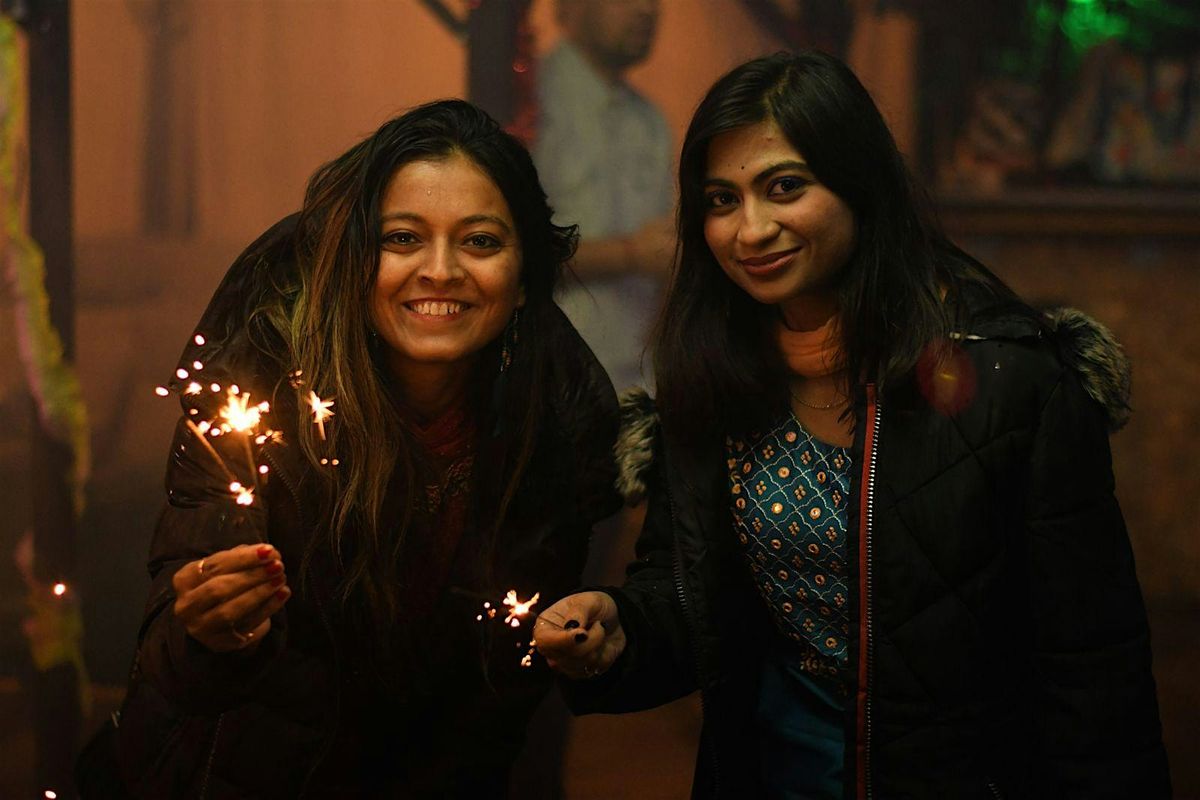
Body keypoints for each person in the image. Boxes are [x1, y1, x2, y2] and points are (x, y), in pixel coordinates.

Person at [535, 51, 1171, 799]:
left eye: (785, 187)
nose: (751, 229)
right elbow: (690, 593)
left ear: (858, 181)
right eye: (722, 199)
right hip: (774, 772)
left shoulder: (1008, 378)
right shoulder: (710, 374)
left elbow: (1092, 667)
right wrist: (620, 627)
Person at [112, 100, 621, 798]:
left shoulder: (556, 429)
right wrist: (209, 634)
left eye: (479, 242)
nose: (440, 270)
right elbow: (171, 664)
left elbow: (506, 690)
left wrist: (580, 638)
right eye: (402, 238)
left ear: (526, 278)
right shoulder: (256, 400)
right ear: (354, 262)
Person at [533, 0, 673, 393]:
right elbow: (507, 253)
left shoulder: (649, 121)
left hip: (637, 384)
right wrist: (631, 254)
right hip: (552, 386)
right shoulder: (527, 105)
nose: (646, 9)